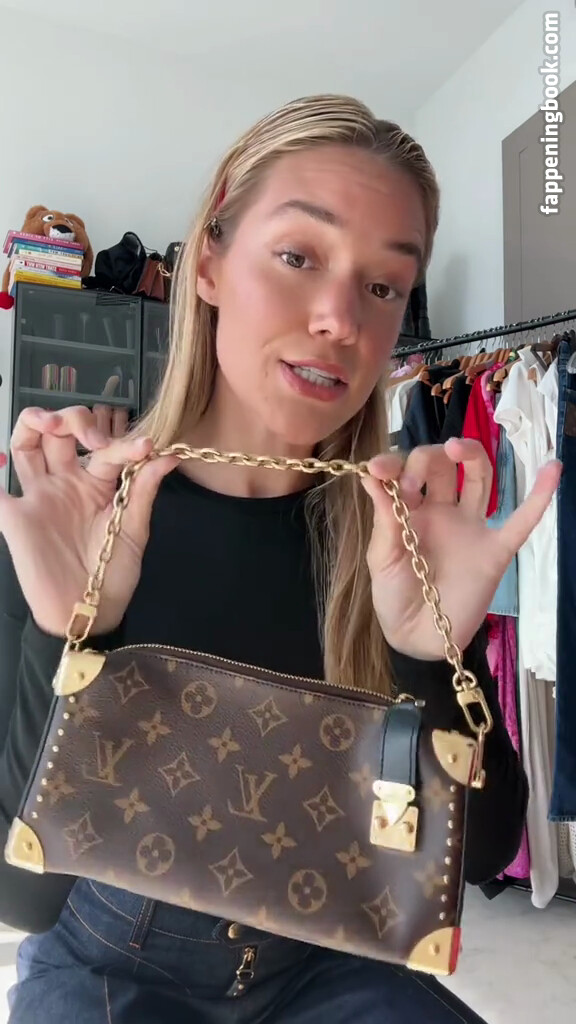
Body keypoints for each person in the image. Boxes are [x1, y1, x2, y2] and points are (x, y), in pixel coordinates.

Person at [0, 94, 560, 1023]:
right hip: (112, 967)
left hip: (328, 966)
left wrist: (429, 653)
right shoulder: (82, 515)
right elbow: (22, 898)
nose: (340, 318)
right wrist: (72, 631)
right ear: (210, 261)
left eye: (384, 286)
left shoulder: (396, 539)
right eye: (299, 256)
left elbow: (478, 863)